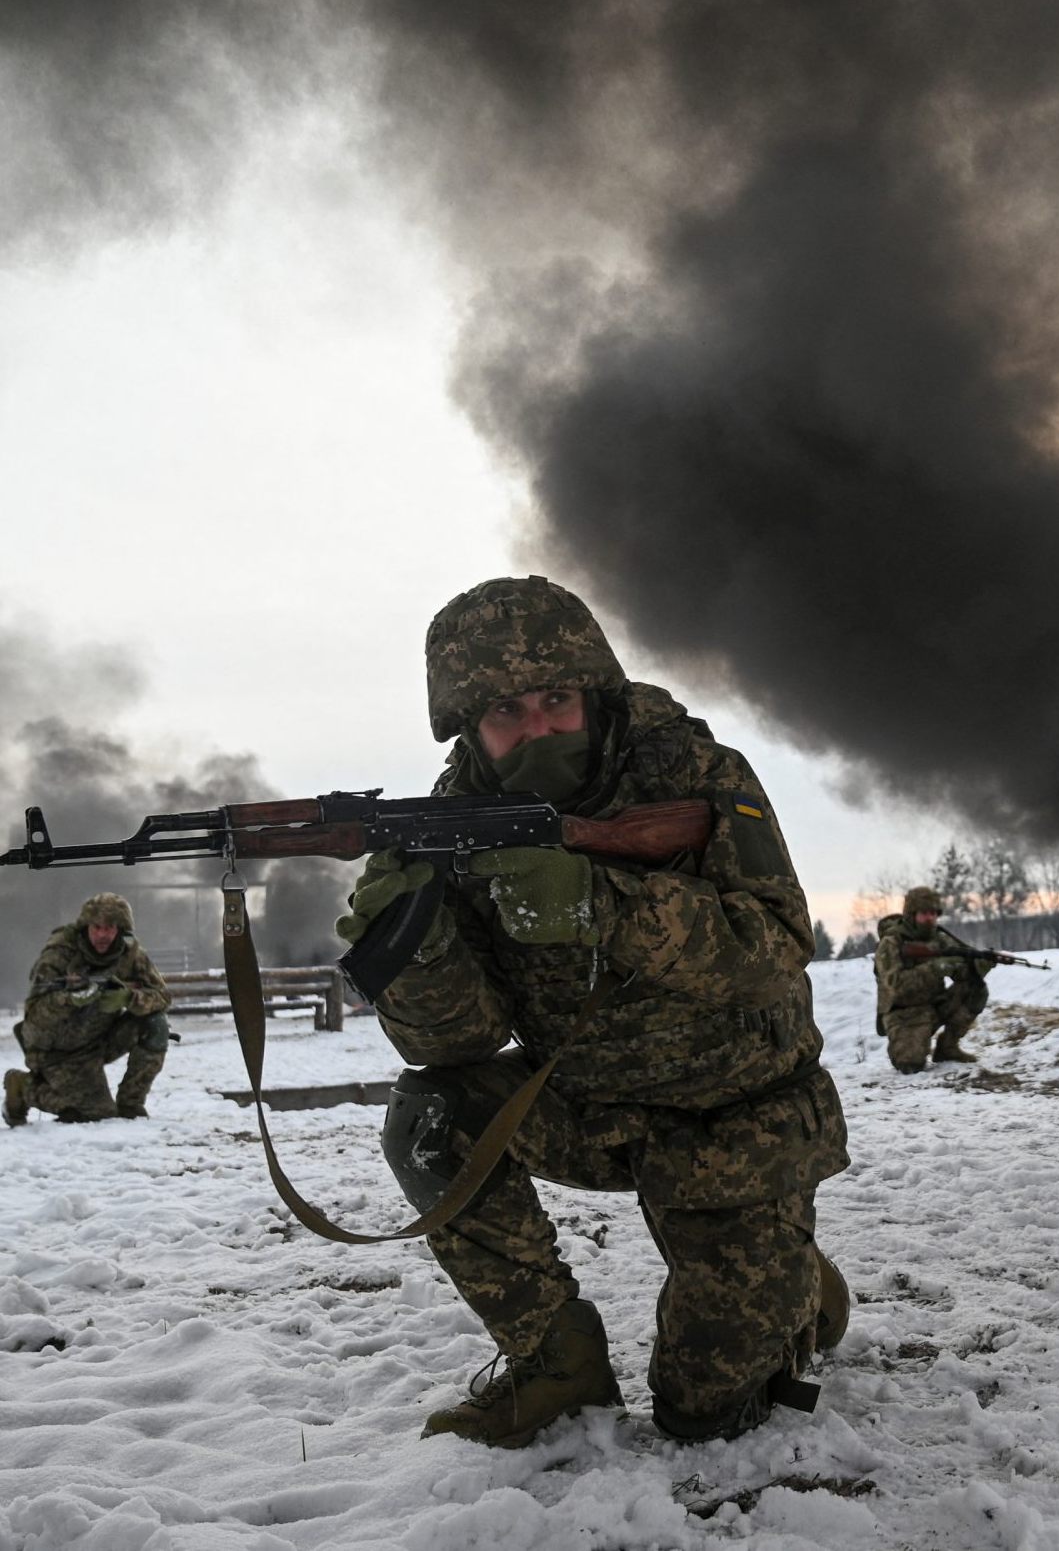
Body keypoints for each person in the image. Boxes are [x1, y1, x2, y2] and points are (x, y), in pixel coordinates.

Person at [338, 576, 851, 1448]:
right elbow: (459, 1041)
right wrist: (412, 943)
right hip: (587, 1109)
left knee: (707, 1417)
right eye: (506, 711)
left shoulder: (692, 770)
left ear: (594, 690)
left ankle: (790, 1273)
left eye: (556, 699)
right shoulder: (451, 820)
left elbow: (772, 949)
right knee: (432, 1115)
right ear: (468, 725)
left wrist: (599, 905)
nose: (537, 726)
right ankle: (555, 1362)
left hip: (735, 1122)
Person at [4, 892, 171, 1126]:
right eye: (97, 927)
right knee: (94, 1115)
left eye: (110, 928)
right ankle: (23, 1088)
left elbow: (162, 997)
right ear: (86, 926)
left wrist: (130, 998)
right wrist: (70, 1000)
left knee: (156, 1024)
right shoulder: (59, 954)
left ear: (121, 930)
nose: (102, 934)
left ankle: (130, 1104)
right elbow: (35, 1017)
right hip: (56, 1051)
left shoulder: (130, 955)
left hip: (100, 1039)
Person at [874, 885, 995, 1072]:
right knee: (910, 1064)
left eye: (933, 913)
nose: (930, 918)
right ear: (911, 915)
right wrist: (936, 968)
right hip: (904, 1014)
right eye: (924, 913)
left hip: (935, 1005)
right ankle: (911, 1043)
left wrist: (980, 965)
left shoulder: (939, 938)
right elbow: (896, 986)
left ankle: (948, 1047)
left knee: (975, 989)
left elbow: (962, 972)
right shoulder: (891, 943)